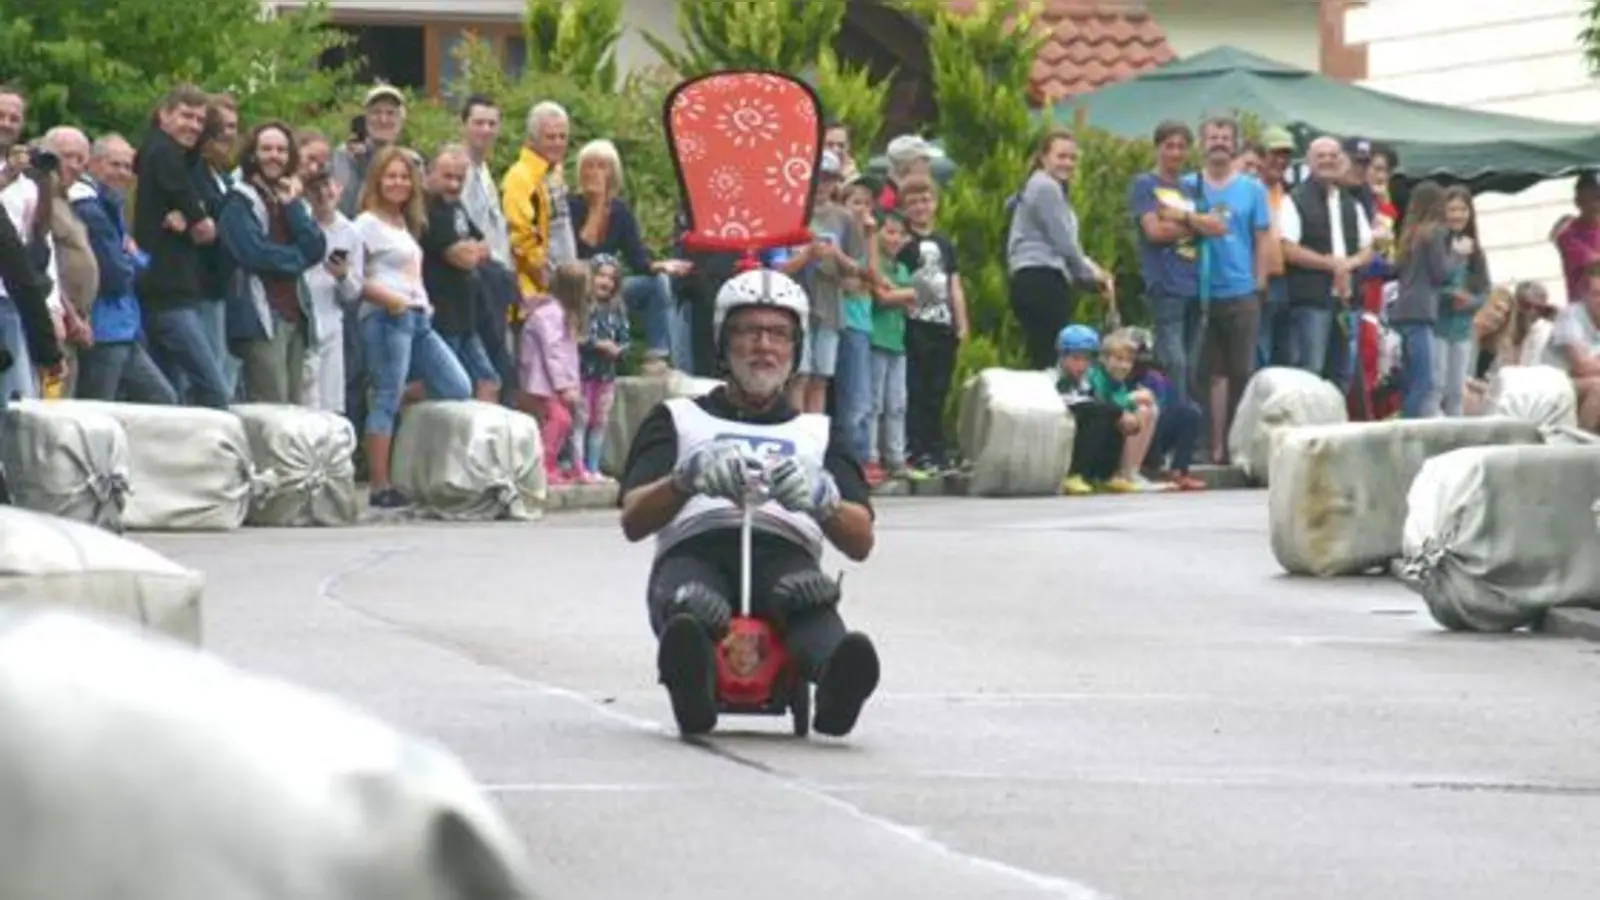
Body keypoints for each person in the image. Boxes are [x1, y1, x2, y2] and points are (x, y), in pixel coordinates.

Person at [617, 267, 879, 738]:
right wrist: (685, 479)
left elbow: (861, 539)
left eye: (778, 333)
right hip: (695, 547)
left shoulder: (817, 431)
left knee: (804, 597)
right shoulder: (677, 418)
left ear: (795, 347)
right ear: (724, 341)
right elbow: (634, 518)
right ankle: (691, 679)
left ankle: (838, 682)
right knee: (693, 602)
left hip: (784, 551)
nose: (764, 346)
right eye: (749, 332)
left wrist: (824, 501)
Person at [354, 146, 473, 509]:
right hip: (387, 315)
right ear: (377, 179)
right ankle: (379, 485)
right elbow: (354, 280)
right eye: (391, 176)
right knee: (387, 396)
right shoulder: (365, 224)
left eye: (405, 177)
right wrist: (391, 301)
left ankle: (391, 408)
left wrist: (421, 300)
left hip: (418, 316)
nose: (398, 183)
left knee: (456, 385)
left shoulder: (406, 223)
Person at [520, 262, 586, 485]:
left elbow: (569, 354)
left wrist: (573, 383)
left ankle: (571, 465)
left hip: (553, 382)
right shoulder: (550, 315)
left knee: (566, 421)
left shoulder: (562, 313)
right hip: (542, 381)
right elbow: (554, 352)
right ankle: (543, 465)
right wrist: (564, 386)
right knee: (559, 419)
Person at [1390, 181, 1452, 419]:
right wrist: (1457, 254)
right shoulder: (1435, 232)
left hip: (1402, 309)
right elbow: (1441, 273)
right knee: (1425, 379)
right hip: (1422, 310)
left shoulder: (1409, 235)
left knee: (1409, 377)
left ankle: (1403, 418)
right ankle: (1407, 426)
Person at [301, 172, 362, 412]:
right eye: (316, 189)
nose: (323, 195)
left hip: (331, 322)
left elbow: (354, 292)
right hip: (302, 321)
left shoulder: (350, 232)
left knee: (330, 403)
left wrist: (343, 276)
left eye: (327, 187)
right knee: (305, 397)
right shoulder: (298, 222)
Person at [574, 254, 629, 482]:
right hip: (582, 373)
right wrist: (596, 344)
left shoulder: (617, 310)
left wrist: (619, 349)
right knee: (580, 420)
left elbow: (625, 338)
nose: (605, 282)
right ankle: (578, 468)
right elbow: (574, 338)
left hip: (606, 375)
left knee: (600, 421)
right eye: (601, 276)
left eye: (611, 278)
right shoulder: (582, 307)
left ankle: (594, 467)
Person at [1055, 324, 1128, 496]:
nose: (1081, 365)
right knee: (1102, 413)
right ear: (1062, 356)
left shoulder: (1086, 382)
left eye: (1086, 360)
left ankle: (1104, 474)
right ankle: (1075, 474)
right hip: (1062, 422)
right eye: (1075, 358)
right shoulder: (1055, 378)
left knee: (1112, 415)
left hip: (1083, 416)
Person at [1091, 330, 1162, 493]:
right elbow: (1101, 405)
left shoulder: (1119, 382)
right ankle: (1123, 473)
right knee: (1141, 410)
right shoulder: (1097, 377)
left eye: (1129, 361)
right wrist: (1130, 399)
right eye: (1119, 359)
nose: (1124, 366)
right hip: (1098, 440)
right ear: (1104, 359)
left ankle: (1131, 471)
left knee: (1148, 410)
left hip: (1112, 437)